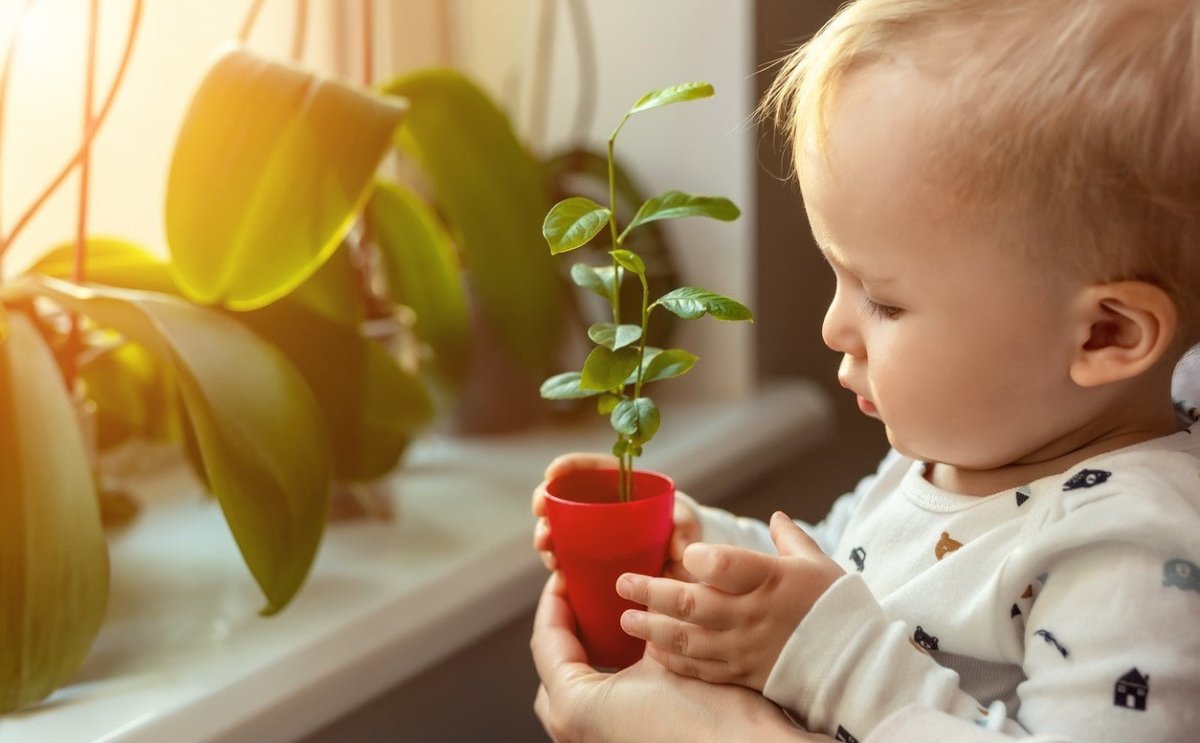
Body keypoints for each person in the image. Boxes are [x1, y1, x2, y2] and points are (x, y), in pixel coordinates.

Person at [531, 0, 1200, 740]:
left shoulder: (1134, 551)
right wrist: (704, 552)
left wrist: (832, 654)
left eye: (882, 300)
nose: (832, 326)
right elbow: (842, 573)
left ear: (1104, 334)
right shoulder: (949, 457)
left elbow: (836, 626)